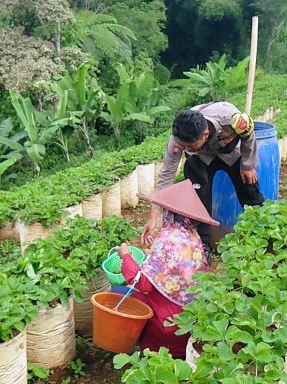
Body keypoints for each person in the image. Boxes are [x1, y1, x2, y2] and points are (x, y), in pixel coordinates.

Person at [143, 102, 264, 258]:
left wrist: (247, 165)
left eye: (191, 145)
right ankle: (202, 248)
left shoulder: (231, 120)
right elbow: (166, 174)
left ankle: (261, 235)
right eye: (183, 145)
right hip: (201, 158)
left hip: (230, 152)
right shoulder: (178, 139)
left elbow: (248, 136)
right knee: (197, 202)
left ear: (205, 134)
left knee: (248, 187)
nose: (185, 149)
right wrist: (154, 214)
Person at [113, 179, 218, 358]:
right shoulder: (192, 237)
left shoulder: (167, 239)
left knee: (117, 292)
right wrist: (150, 254)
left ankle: (132, 346)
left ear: (170, 213)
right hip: (188, 321)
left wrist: (125, 255)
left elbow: (141, 283)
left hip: (164, 323)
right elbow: (172, 267)